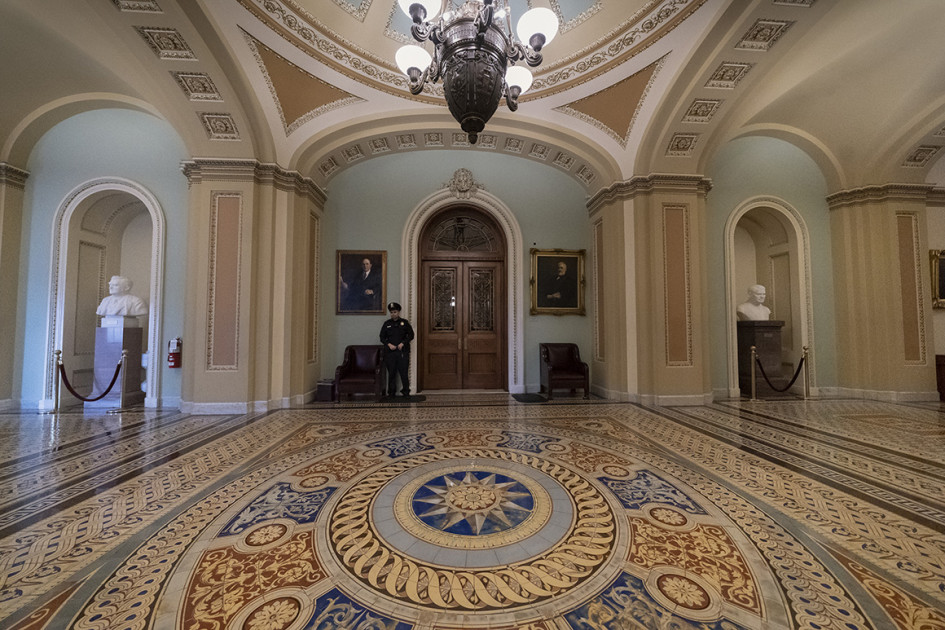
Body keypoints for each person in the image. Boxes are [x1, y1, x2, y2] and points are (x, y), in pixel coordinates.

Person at [380, 301, 414, 397]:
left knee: (404, 373)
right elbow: (382, 337)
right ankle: (391, 392)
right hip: (390, 352)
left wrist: (403, 343)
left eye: (395, 312)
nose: (393, 314)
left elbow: (411, 335)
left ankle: (406, 392)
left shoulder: (404, 323)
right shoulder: (387, 324)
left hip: (402, 352)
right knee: (392, 373)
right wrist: (388, 344)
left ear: (398, 312)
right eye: (391, 312)